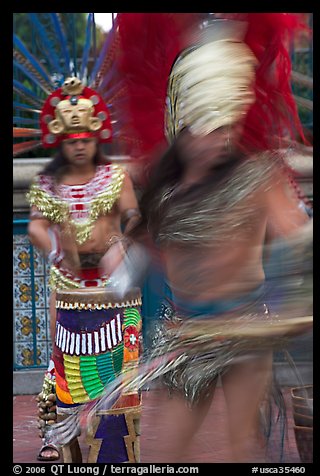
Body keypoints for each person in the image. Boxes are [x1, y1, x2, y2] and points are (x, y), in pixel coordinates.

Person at [92, 13, 312, 463]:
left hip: (247, 334)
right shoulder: (164, 191)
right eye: (213, 129)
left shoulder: (257, 177)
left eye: (230, 126)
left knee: (239, 449)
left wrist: (293, 296)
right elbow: (144, 250)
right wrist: (124, 256)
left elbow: (300, 237)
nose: (224, 138)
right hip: (186, 338)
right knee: (168, 452)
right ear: (184, 127)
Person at [26, 76, 142, 463]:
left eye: (86, 140)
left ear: (97, 139)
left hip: (114, 281)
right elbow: (36, 225)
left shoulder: (115, 177)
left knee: (124, 360)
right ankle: (56, 433)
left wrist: (124, 238)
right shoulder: (49, 184)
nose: (79, 146)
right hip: (68, 281)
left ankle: (116, 436)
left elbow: (132, 214)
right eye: (72, 141)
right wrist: (58, 249)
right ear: (62, 142)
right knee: (61, 361)